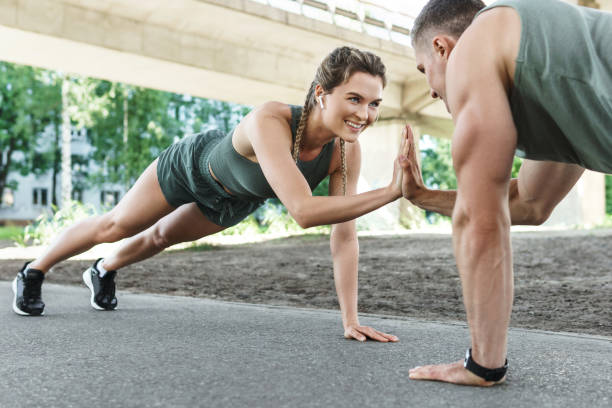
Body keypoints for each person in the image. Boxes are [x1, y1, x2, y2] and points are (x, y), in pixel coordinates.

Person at [12, 46, 402, 343]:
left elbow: (343, 232)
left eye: (374, 104)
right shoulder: (272, 119)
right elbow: (303, 210)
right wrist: (391, 192)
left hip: (237, 199)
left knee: (161, 237)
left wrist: (350, 319)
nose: (365, 115)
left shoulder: (345, 150)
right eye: (355, 99)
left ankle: (102, 270)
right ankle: (34, 270)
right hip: (192, 166)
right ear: (321, 93)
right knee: (117, 224)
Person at [398, 0, 612, 386]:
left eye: (423, 69)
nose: (429, 90)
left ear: (443, 49)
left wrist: (483, 365)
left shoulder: (475, 47)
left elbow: (480, 222)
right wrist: (421, 196)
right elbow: (530, 203)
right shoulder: (558, 70)